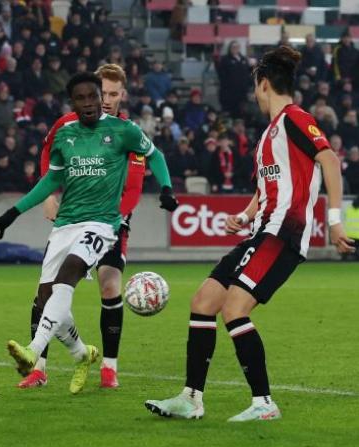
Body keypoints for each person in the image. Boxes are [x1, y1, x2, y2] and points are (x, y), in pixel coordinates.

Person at [145, 46, 355, 422]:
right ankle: (191, 398)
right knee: (203, 302)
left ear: (263, 85)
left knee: (234, 308)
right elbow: (266, 188)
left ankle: (264, 403)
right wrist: (244, 215)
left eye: (255, 87)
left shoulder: (295, 118)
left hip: (283, 234)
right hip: (261, 231)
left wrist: (335, 219)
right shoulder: (270, 134)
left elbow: (329, 159)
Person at [0, 72, 176, 394]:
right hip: (65, 224)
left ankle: (33, 351)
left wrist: (167, 188)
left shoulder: (123, 130)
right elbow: (50, 181)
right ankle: (81, 354)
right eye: (81, 98)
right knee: (45, 297)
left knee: (70, 273)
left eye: (93, 97)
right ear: (73, 102)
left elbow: (155, 155)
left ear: (101, 97)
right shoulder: (65, 135)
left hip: (102, 223)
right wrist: (12, 212)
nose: (89, 103)